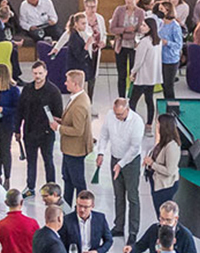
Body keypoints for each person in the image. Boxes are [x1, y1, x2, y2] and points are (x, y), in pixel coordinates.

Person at [94, 97, 146, 239]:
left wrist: (120, 164)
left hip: (131, 162)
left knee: (132, 197)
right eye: (116, 114)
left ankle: (133, 232)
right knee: (118, 195)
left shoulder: (137, 122)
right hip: (115, 158)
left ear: (127, 109)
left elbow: (134, 149)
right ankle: (119, 226)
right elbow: (104, 135)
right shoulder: (111, 116)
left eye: (121, 115)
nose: (117, 117)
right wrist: (101, 152)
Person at [17, 61, 63, 192]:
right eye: (35, 73)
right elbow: (20, 110)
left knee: (48, 159)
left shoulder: (53, 91)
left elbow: (58, 113)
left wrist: (54, 123)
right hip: (29, 131)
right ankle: (30, 187)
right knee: (31, 162)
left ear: (46, 73)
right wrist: (17, 129)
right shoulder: (27, 89)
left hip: (46, 133)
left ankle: (51, 187)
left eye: (40, 73)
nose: (37, 76)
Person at [58, 70, 92, 204]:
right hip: (69, 149)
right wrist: (61, 121)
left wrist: (59, 128)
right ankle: (67, 208)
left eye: (68, 81)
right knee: (68, 179)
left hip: (75, 150)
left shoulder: (79, 105)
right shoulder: (77, 98)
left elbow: (78, 130)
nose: (65, 83)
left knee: (77, 182)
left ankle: (82, 207)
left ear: (75, 83)